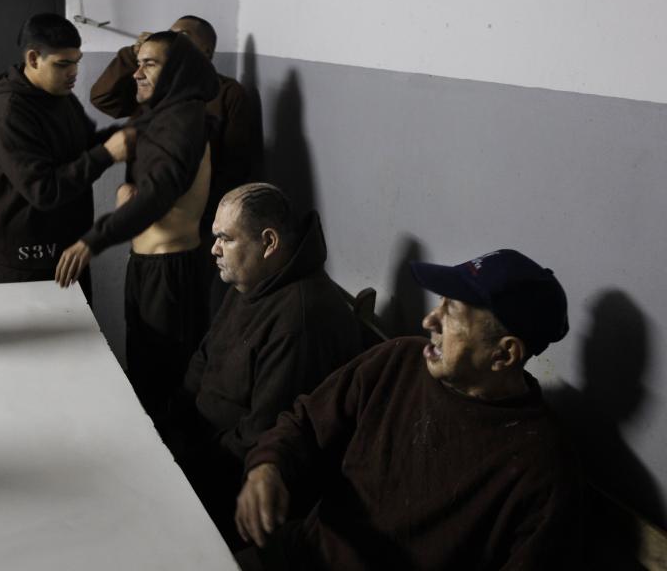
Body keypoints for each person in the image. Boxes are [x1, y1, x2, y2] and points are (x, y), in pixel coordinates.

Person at [235, 249, 583, 570]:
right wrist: (267, 467)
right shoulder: (399, 359)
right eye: (440, 302)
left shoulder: (540, 466)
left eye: (452, 313)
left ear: (504, 354)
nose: (429, 320)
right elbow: (305, 422)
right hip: (303, 554)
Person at [167, 183, 363, 546]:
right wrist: (168, 426)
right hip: (200, 446)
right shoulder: (251, 280)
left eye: (225, 238)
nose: (213, 250)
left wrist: (181, 465)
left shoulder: (302, 321)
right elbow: (203, 359)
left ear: (269, 243)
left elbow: (262, 437)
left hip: (233, 481)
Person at [56, 31, 220, 421]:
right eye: (138, 62)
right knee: (146, 377)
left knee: (162, 385)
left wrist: (91, 241)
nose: (137, 73)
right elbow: (144, 171)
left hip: (169, 273)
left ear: (177, 69)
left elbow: (158, 194)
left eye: (149, 63)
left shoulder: (182, 121)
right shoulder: (165, 115)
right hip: (151, 266)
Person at [90, 15, 260, 313]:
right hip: (146, 228)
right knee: (142, 325)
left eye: (180, 38)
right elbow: (104, 97)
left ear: (205, 52)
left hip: (191, 234)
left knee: (175, 323)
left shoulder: (227, 94)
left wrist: (200, 219)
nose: (172, 45)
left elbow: (235, 168)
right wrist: (135, 54)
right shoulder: (155, 90)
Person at [0, 13, 132, 295]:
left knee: (81, 338)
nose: (73, 72)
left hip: (69, 251)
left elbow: (84, 147)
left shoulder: (62, 98)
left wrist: (129, 132)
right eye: (63, 64)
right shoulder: (9, 117)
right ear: (34, 59)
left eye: (76, 62)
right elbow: (44, 191)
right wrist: (109, 153)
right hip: (27, 264)